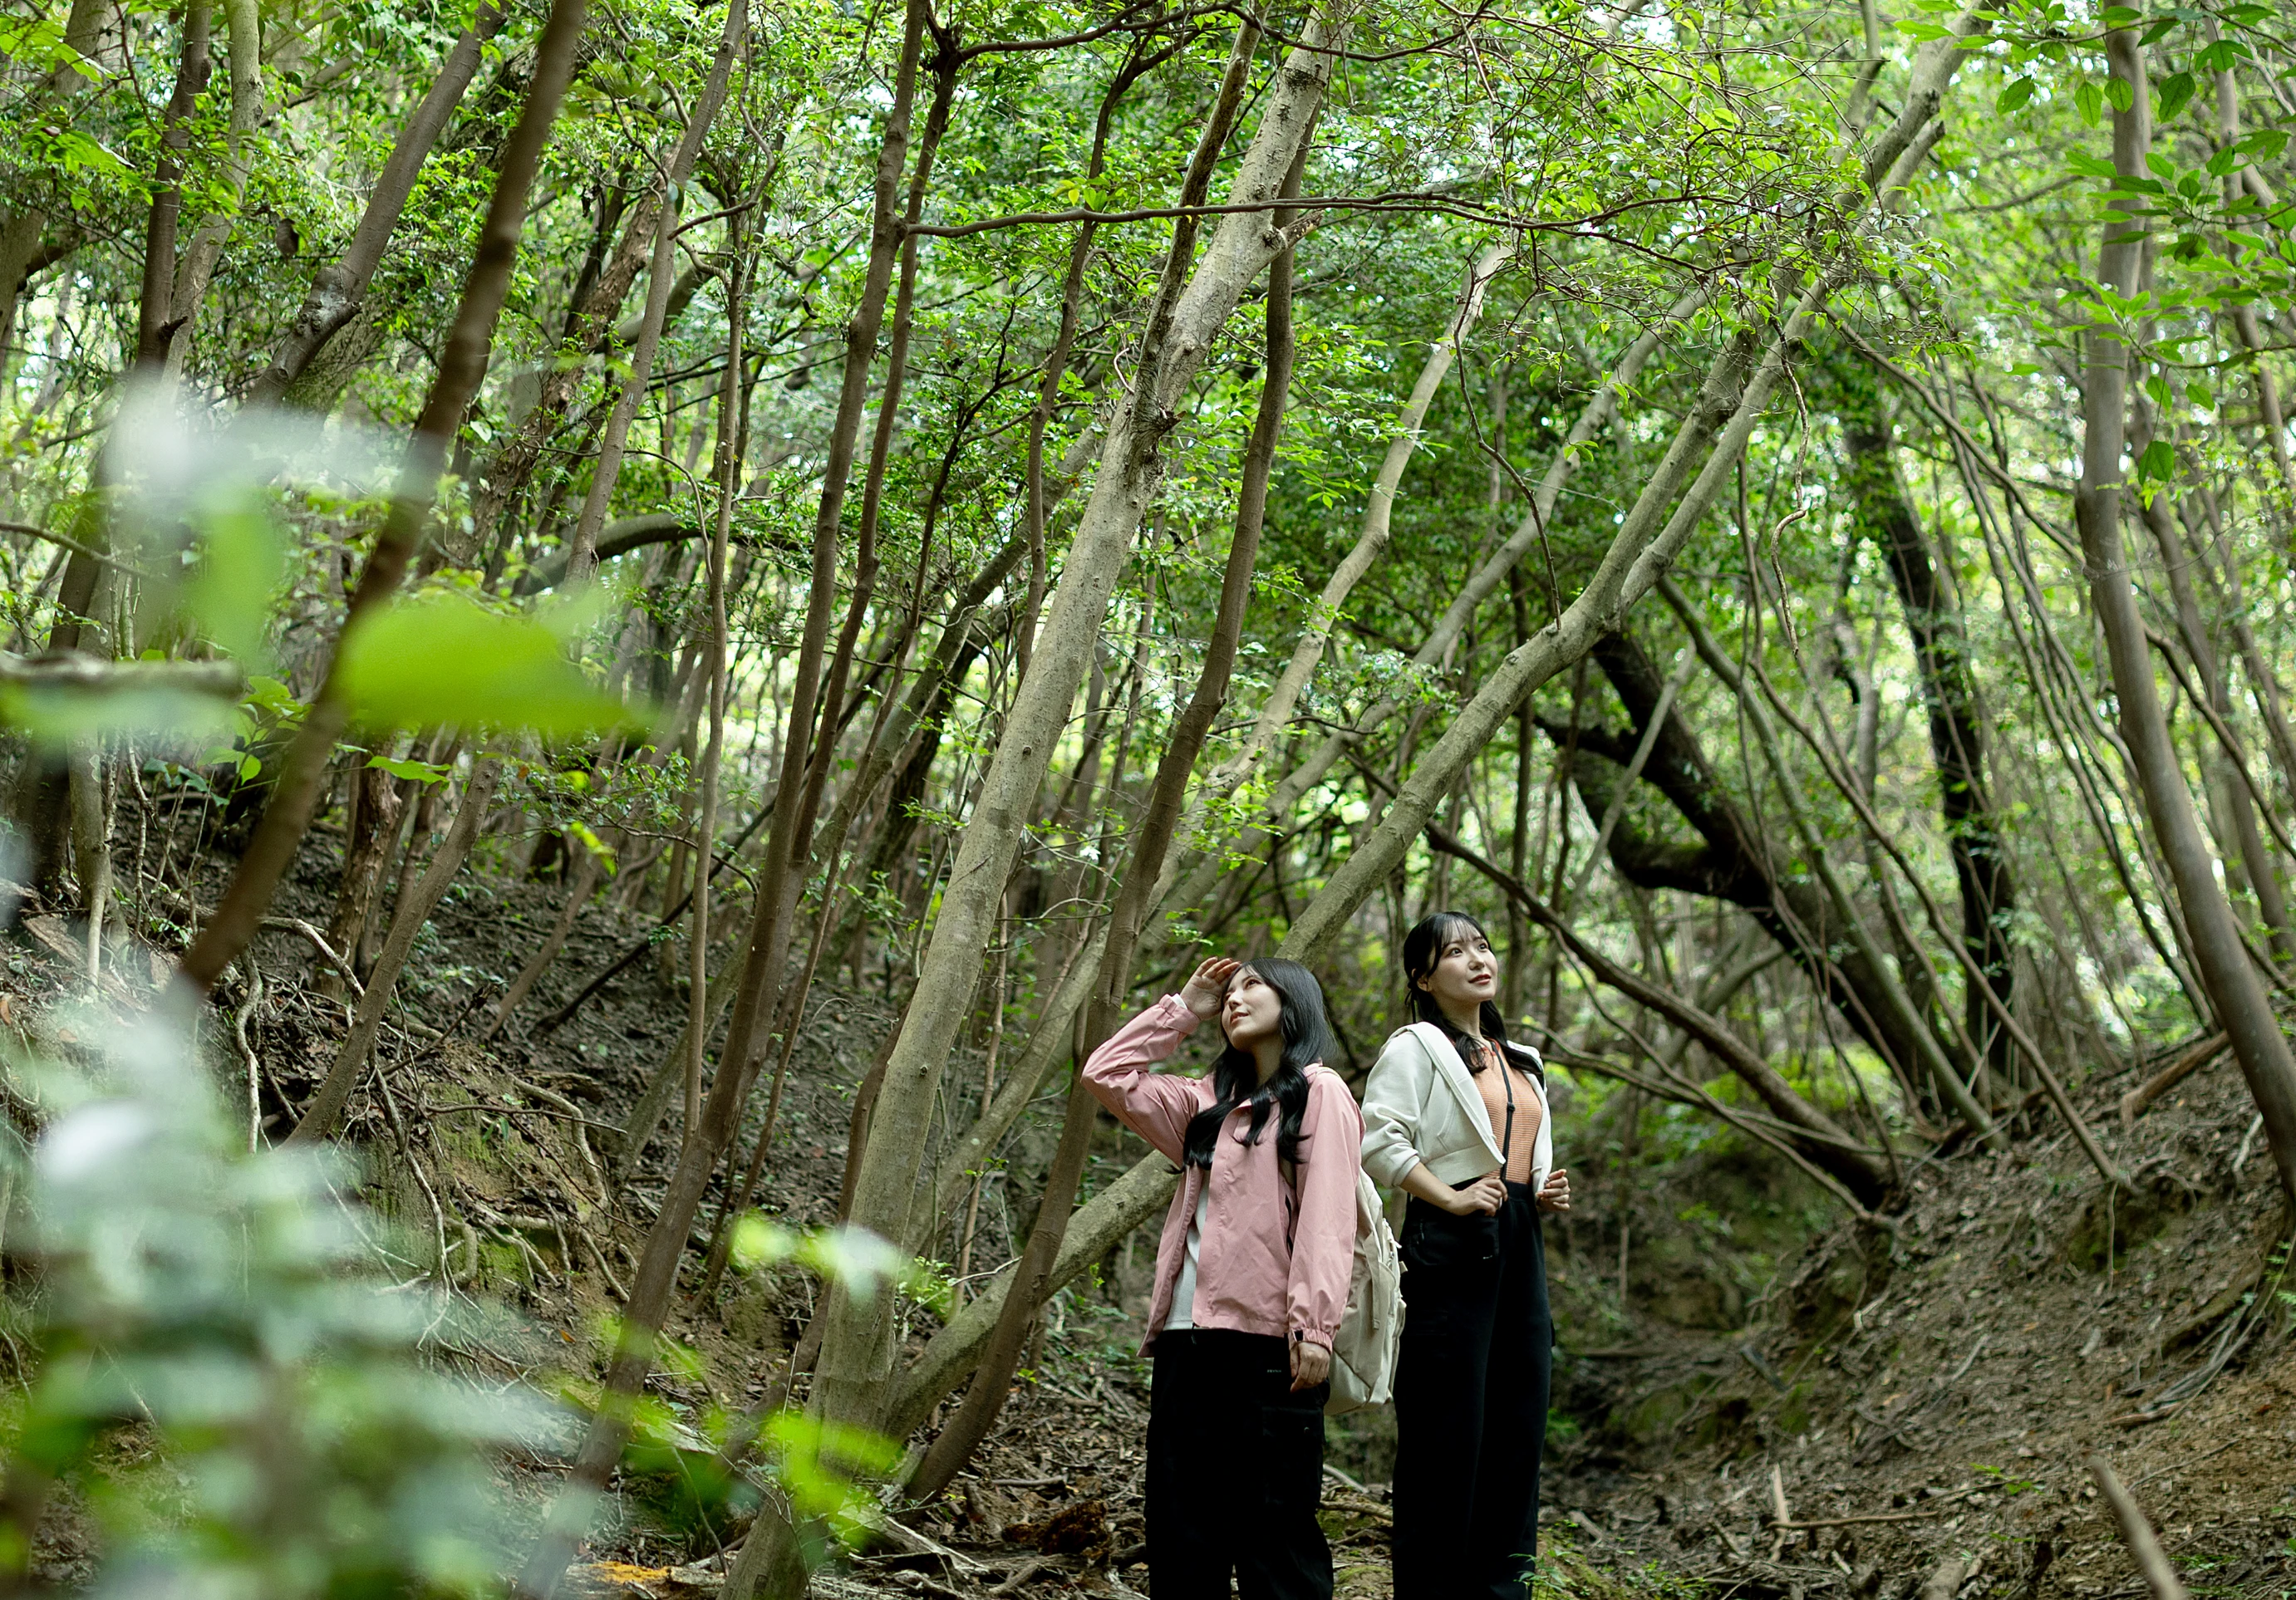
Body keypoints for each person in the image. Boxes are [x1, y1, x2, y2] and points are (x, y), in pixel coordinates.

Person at [1082, 955, 1364, 1600]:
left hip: (1271, 1345)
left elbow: (1328, 1217)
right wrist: (1183, 1008)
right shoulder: (1201, 1103)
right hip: (1186, 1342)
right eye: (1229, 990)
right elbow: (1106, 1073)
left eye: (1251, 986)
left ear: (1292, 1000)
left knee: (1275, 1539)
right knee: (1182, 1535)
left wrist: (1316, 1327)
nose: (1235, 998)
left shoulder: (1319, 1092)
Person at [1359, 910, 1571, 1600]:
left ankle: (1503, 1592)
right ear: (1423, 977)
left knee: (1518, 1420)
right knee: (1445, 1429)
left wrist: (1540, 1191)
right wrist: (1447, 1198)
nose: (1477, 959)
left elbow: (1517, 1150)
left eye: (1481, 945)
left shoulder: (1524, 1059)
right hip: (1448, 1239)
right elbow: (1377, 1139)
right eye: (1455, 952)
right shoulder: (1416, 1047)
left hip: (1520, 1240)